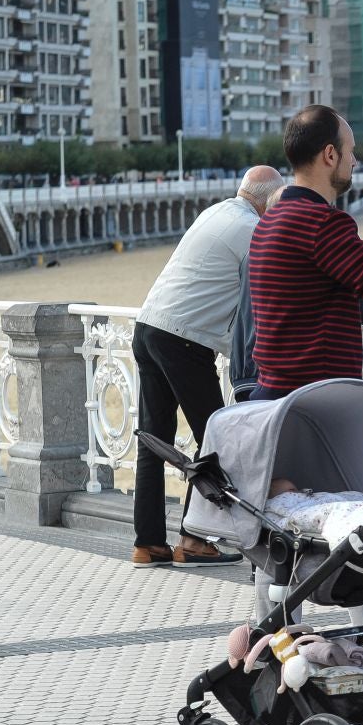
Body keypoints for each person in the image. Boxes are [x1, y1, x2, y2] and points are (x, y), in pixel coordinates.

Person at [131, 165, 286, 569]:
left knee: (154, 439)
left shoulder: (216, 212)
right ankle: (194, 539)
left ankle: (148, 543)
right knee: (216, 441)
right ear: (269, 200)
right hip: (184, 339)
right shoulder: (254, 230)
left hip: (148, 327)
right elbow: (271, 288)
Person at [248, 105, 363, 401]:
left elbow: (332, 283)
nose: (355, 162)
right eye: (351, 152)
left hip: (276, 390)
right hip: (315, 397)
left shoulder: (272, 219)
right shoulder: (322, 221)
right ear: (330, 155)